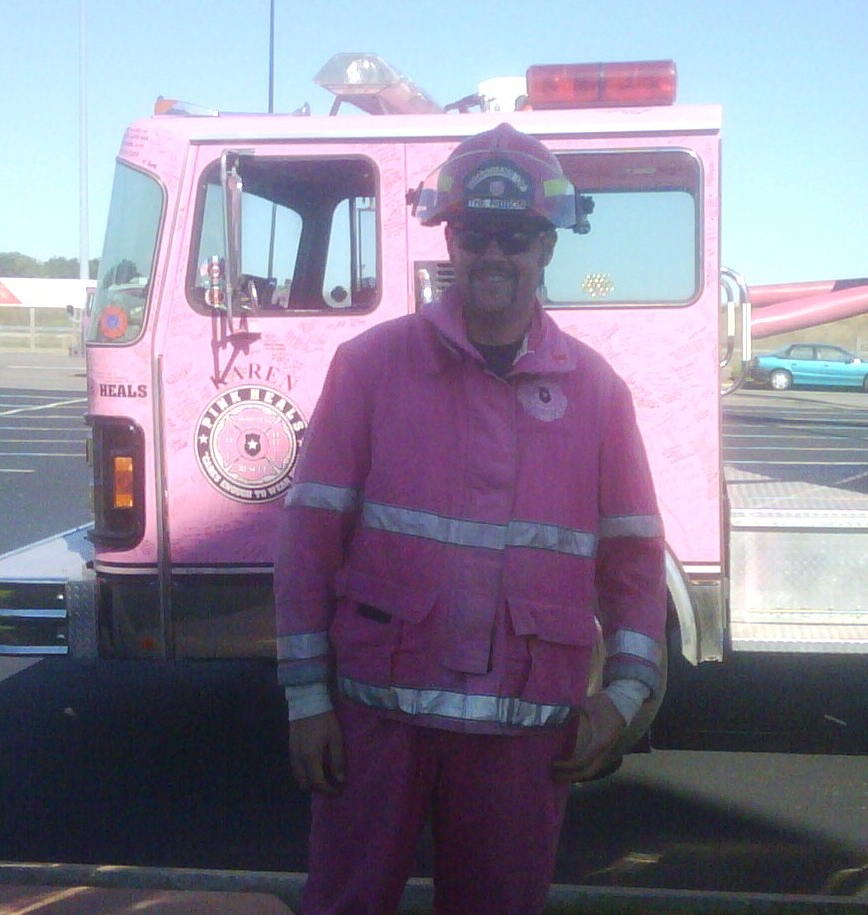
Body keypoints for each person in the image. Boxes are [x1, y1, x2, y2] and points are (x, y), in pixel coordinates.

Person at [273, 122, 668, 915]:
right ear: (448, 240)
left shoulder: (596, 392)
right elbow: (309, 543)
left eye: (515, 237)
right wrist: (307, 701)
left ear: (546, 246)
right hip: (376, 717)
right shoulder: (369, 367)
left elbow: (632, 560)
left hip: (525, 732)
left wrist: (625, 697)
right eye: (475, 234)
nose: (493, 254)